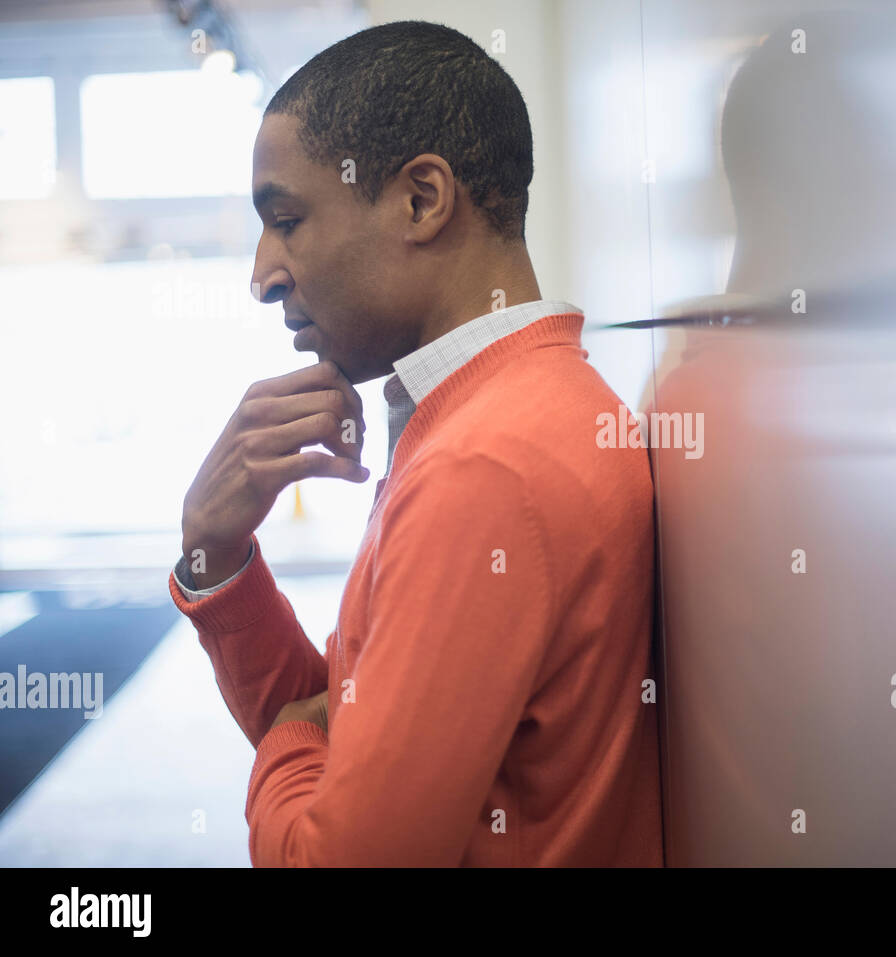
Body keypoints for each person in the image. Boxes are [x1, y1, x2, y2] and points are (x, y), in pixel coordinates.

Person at [168, 20, 662, 866]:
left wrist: (290, 742)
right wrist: (217, 555)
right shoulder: (512, 406)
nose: (262, 274)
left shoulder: (484, 468)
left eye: (286, 219)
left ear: (421, 200)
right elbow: (351, 717)